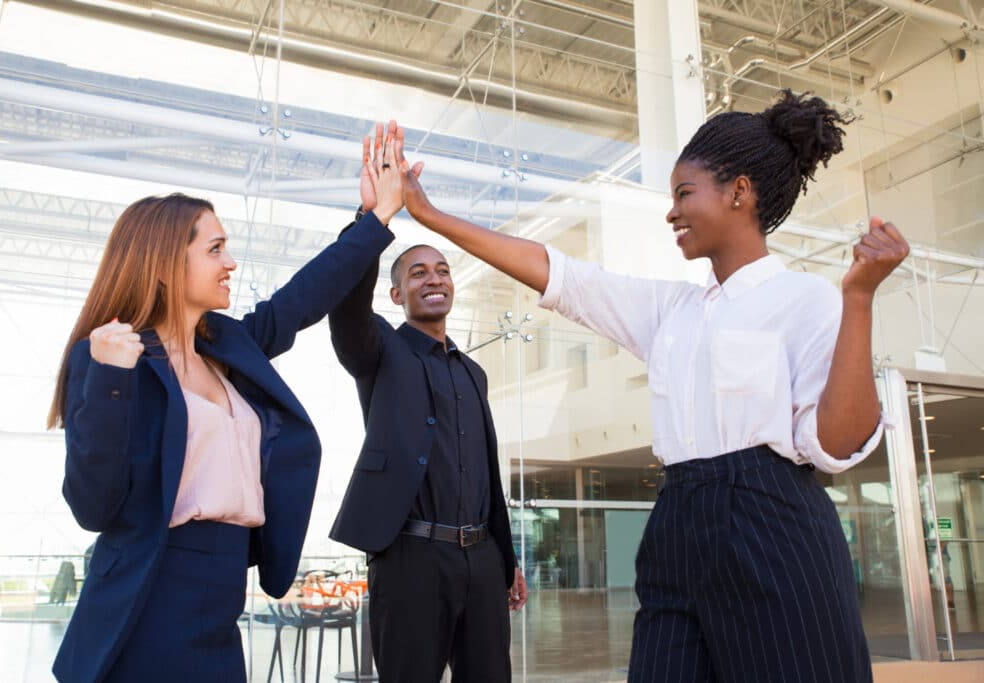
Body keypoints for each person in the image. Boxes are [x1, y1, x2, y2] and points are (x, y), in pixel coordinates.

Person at [396, 90, 909, 683]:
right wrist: (428, 215)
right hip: (678, 520)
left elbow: (839, 442)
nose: (672, 212)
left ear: (739, 192)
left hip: (775, 523)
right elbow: (560, 273)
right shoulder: (673, 311)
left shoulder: (807, 300)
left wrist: (860, 299)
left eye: (684, 194)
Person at [46, 122, 404, 682]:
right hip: (151, 594)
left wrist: (374, 218)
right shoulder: (109, 358)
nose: (230, 262)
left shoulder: (228, 346)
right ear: (166, 262)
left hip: (223, 591)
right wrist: (112, 382)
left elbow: (301, 299)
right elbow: (93, 506)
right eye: (215, 249)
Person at [327, 126, 528, 683]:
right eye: (418, 273)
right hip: (411, 559)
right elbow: (345, 307)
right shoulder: (379, 351)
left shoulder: (474, 372)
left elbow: (486, 474)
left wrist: (506, 560)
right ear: (397, 294)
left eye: (441, 271)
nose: (433, 279)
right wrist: (374, 221)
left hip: (482, 560)